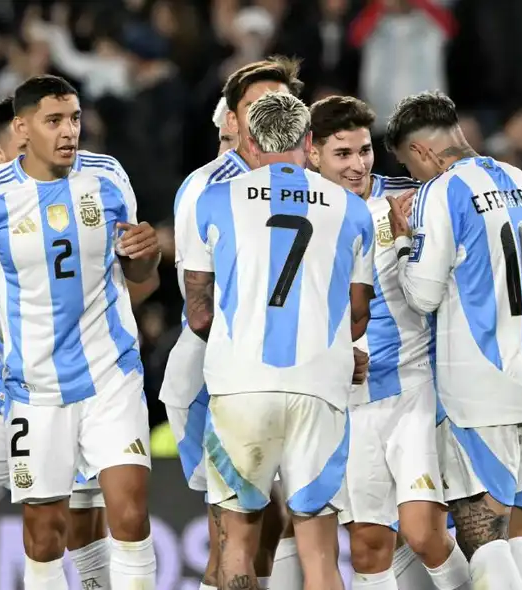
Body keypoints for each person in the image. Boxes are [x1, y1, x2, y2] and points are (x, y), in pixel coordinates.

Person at [0, 75, 161, 590]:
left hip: (110, 373)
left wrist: (147, 259)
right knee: (44, 537)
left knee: (128, 515)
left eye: (75, 119)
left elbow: (138, 277)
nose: (69, 131)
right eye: (55, 120)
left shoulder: (107, 177)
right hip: (32, 388)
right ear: (22, 129)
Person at [383, 90, 522, 590]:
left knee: (482, 536)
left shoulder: (442, 191)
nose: (413, 178)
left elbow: (422, 294)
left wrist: (400, 241)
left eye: (407, 166)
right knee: (517, 534)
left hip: (482, 392)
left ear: (420, 152)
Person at [181, 91, 374, 590]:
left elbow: (198, 312)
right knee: (320, 553)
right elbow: (357, 316)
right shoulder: (351, 209)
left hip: (240, 384)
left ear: (247, 140)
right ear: (309, 142)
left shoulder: (215, 199)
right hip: (320, 386)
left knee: (237, 547)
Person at [0, 97, 107, 589]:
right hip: (6, 385)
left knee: (75, 532)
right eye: (24, 142)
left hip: (75, 386)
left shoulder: (87, 194)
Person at [308, 95, 470, 590]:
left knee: (423, 532)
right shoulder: (301, 214)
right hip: (349, 402)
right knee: (368, 546)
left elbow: (476, 259)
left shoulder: (411, 198)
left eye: (363, 151)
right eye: (343, 154)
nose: (358, 166)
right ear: (312, 153)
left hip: (414, 389)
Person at [160, 56, 306, 590]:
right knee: (234, 527)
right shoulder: (207, 189)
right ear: (230, 120)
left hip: (296, 368)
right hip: (215, 371)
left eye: (280, 104)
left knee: (289, 519)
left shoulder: (313, 183)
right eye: (254, 106)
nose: (269, 115)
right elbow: (200, 307)